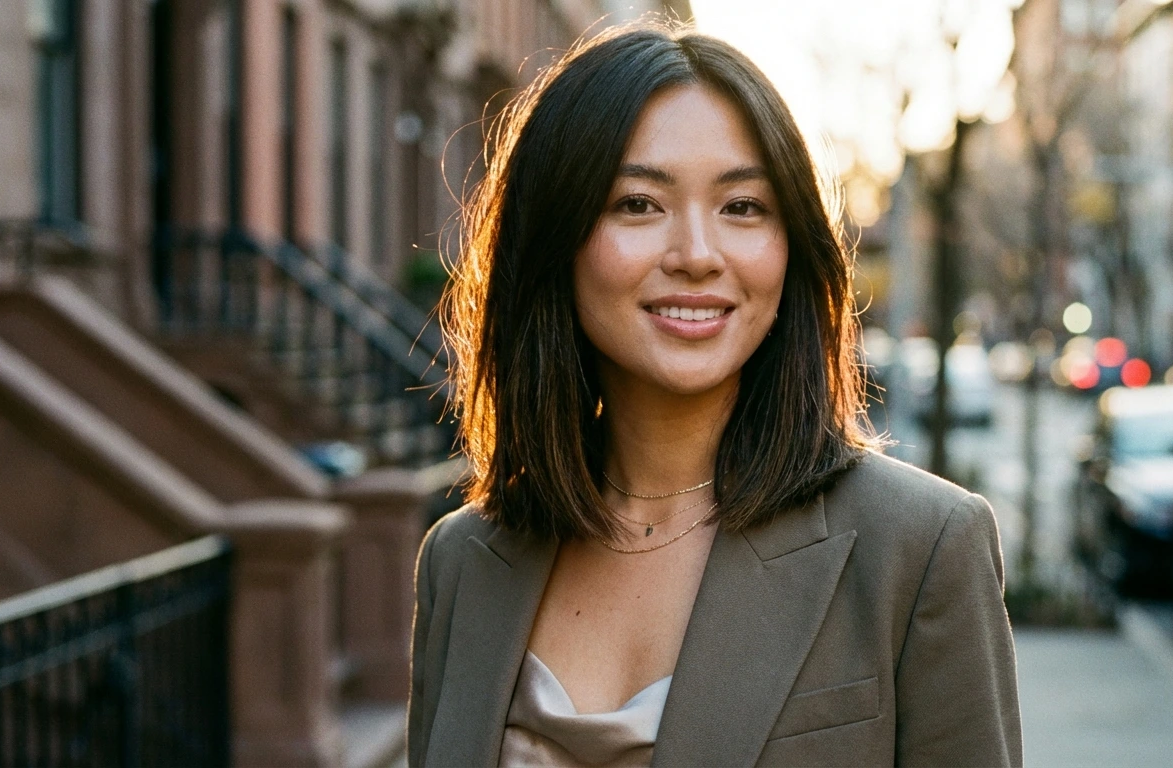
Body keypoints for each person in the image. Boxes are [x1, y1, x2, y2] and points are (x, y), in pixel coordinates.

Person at [408, 21, 1021, 768]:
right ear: (555, 238)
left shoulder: (919, 548)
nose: (697, 255)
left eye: (742, 208)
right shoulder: (463, 560)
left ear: (791, 246)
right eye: (638, 203)